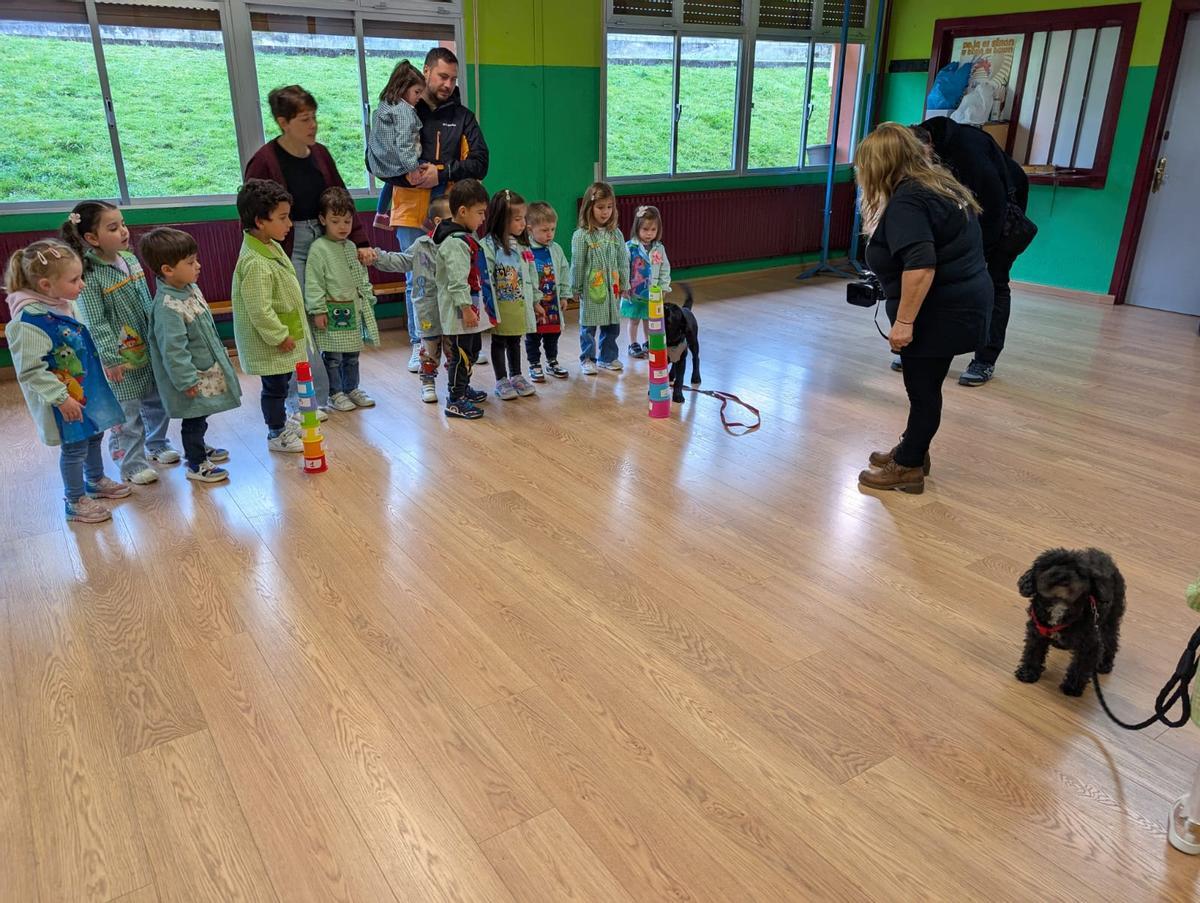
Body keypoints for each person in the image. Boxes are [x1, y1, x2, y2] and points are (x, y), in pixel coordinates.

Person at [855, 123, 992, 494]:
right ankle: (913, 449)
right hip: (963, 301)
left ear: (882, 164)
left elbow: (920, 265)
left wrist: (903, 322)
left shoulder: (910, 201)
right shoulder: (940, 185)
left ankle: (909, 466)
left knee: (923, 389)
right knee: (926, 386)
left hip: (940, 309)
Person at [245, 84, 375, 413]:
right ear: (283, 122)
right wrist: (267, 253)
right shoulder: (264, 161)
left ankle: (339, 389)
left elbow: (341, 199)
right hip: (290, 244)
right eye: (304, 119)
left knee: (329, 317)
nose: (313, 125)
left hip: (326, 239)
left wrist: (359, 241)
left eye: (314, 117)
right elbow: (253, 214)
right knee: (299, 317)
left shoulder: (321, 154)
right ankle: (303, 398)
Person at [5, 239, 129, 523]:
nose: (82, 285)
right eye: (75, 279)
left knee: (94, 434)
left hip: (86, 390)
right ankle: (74, 500)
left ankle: (95, 480)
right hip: (64, 399)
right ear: (46, 285)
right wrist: (60, 398)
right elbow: (31, 370)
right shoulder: (28, 322)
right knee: (74, 447)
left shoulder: (62, 304)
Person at [383, 48, 490, 372]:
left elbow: (481, 163)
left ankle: (461, 339)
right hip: (410, 213)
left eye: (453, 78)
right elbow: (379, 160)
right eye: (443, 76)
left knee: (457, 274)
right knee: (420, 278)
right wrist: (410, 175)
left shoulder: (462, 116)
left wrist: (441, 173)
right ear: (426, 71)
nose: (447, 84)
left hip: (451, 214)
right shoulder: (401, 111)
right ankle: (421, 344)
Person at [63, 201, 180, 485]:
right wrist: (110, 359)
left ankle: (157, 443)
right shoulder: (89, 275)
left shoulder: (131, 259)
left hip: (148, 347)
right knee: (126, 414)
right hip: (121, 358)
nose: (124, 232)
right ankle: (131, 464)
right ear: (92, 239)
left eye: (123, 224)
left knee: (157, 400)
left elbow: (146, 300)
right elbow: (96, 322)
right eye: (113, 228)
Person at [914, 116, 1029, 386]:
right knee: (939, 281)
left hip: (1002, 217)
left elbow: (993, 206)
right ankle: (928, 350)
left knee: (994, 283)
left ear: (927, 146)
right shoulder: (925, 140)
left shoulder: (968, 149)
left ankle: (985, 360)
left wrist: (980, 255)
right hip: (967, 215)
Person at [140, 228, 240, 484]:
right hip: (190, 376)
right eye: (190, 262)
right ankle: (196, 463)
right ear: (167, 270)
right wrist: (186, 380)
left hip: (204, 367)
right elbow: (173, 349)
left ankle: (199, 447)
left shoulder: (190, 289)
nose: (198, 265)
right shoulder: (167, 307)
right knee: (193, 417)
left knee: (201, 414)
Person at [231, 179, 310, 453]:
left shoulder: (270, 245)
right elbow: (259, 308)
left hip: (284, 332)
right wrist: (279, 336)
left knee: (282, 383)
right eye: (283, 218)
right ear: (260, 221)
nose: (289, 224)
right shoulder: (255, 262)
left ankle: (282, 423)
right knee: (274, 388)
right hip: (274, 340)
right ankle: (276, 433)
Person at [303, 187, 382, 413]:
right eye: (335, 221)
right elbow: (314, 282)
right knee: (333, 357)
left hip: (353, 310)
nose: (342, 227)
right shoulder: (318, 249)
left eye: (347, 221)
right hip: (332, 313)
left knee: (352, 355)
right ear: (323, 219)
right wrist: (318, 310)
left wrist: (368, 297)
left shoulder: (351, 246)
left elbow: (361, 275)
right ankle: (335, 393)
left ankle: (352, 388)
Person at [370, 197, 454, 404]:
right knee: (429, 352)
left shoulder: (460, 245)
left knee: (456, 353)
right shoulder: (422, 245)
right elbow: (401, 261)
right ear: (437, 221)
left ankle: (457, 386)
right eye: (453, 220)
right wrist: (377, 257)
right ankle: (428, 384)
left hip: (453, 312)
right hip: (428, 312)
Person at [434, 179, 495, 420]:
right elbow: (457, 282)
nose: (482, 219)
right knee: (459, 355)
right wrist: (466, 308)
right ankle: (455, 399)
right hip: (459, 310)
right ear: (462, 211)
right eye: (480, 213)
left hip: (470, 307)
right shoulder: (455, 243)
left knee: (471, 351)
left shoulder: (467, 237)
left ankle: (463, 388)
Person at [481, 189, 540, 400]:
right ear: (501, 220)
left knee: (515, 341)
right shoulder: (489, 246)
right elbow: (485, 277)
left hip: (520, 304)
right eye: (517, 219)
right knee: (499, 342)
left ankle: (516, 375)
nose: (523, 223)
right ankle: (501, 380)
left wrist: (536, 300)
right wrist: (488, 306)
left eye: (523, 218)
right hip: (500, 305)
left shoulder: (524, 245)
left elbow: (531, 274)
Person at [368, 60, 437, 229]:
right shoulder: (403, 111)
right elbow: (404, 143)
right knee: (434, 175)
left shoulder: (385, 105)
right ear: (403, 88)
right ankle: (431, 216)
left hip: (380, 161)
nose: (419, 97)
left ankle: (381, 213)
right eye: (417, 92)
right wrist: (412, 167)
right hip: (399, 161)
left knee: (390, 181)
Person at [571, 181, 628, 375]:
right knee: (588, 327)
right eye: (600, 207)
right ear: (590, 207)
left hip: (612, 289)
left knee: (612, 325)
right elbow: (577, 263)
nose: (605, 212)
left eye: (609, 207)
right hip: (592, 289)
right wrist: (576, 287)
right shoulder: (582, 236)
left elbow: (623, 261)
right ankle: (588, 358)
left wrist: (624, 283)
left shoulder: (616, 234)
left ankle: (608, 357)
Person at [524, 201, 572, 382]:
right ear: (530, 229)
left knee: (553, 333)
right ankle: (534, 363)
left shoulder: (556, 249)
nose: (549, 234)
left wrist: (566, 295)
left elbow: (565, 271)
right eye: (544, 230)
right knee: (533, 335)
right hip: (534, 304)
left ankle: (552, 361)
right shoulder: (525, 250)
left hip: (553, 302)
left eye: (552, 229)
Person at [623, 204, 672, 359]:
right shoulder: (630, 247)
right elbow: (623, 268)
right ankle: (633, 344)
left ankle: (647, 342)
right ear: (637, 228)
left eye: (653, 230)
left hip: (652, 293)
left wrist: (664, 287)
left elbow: (665, 269)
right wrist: (624, 287)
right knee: (634, 319)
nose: (649, 234)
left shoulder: (659, 249)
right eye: (645, 229)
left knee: (648, 319)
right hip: (633, 292)